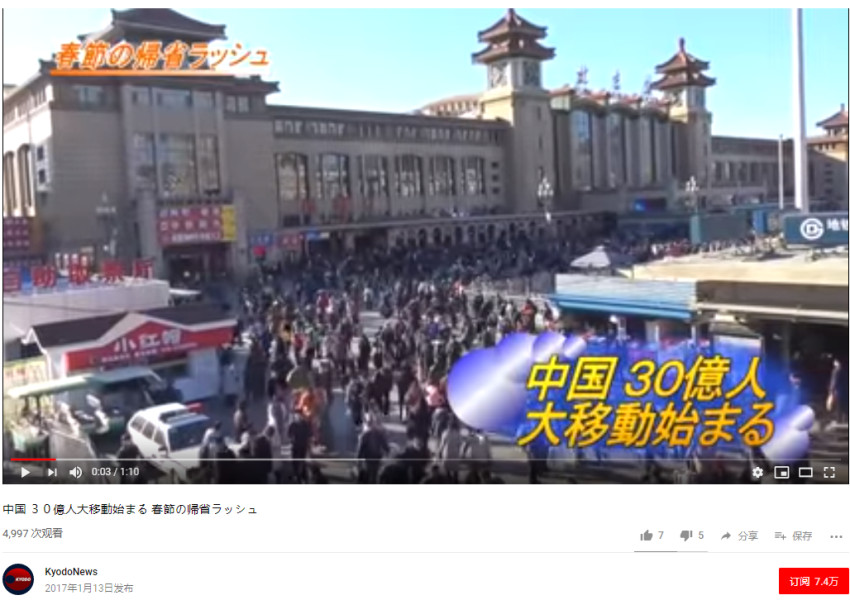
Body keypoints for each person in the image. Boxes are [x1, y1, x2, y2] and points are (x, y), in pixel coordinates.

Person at [356, 413, 390, 484]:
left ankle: (371, 482)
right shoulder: (379, 433)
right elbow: (385, 445)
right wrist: (387, 451)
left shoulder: (365, 435)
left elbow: (361, 448)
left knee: (370, 472)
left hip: (369, 457)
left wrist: (359, 460)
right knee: (374, 473)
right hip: (377, 457)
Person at [288, 411, 313, 483]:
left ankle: (303, 475)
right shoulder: (293, 425)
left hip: (303, 446)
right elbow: (289, 434)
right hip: (296, 446)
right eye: (296, 416)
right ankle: (297, 475)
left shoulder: (305, 424)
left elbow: (309, 434)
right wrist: (291, 439)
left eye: (299, 416)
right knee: (295, 461)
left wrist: (309, 445)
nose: (298, 417)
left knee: (302, 461)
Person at [437, 417, 463, 483]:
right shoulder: (457, 433)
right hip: (455, 453)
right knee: (455, 469)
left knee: (447, 468)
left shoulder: (445, 433)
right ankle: (455, 481)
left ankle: (449, 480)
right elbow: (460, 443)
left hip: (447, 453)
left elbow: (442, 444)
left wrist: (439, 452)